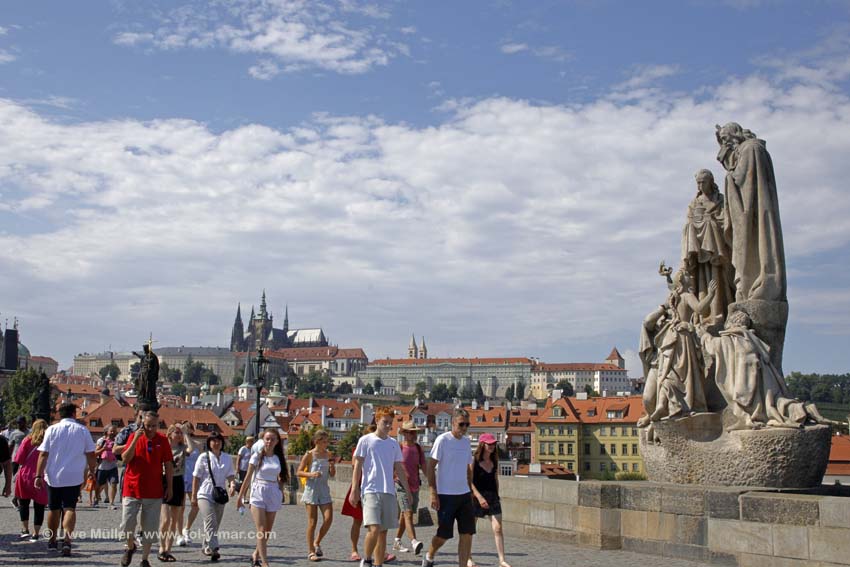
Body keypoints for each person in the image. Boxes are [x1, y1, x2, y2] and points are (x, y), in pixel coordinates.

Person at [715, 122, 786, 304]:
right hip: (752, 208)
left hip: (753, 211)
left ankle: (755, 285)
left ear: (734, 134)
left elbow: (741, 178)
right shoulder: (749, 149)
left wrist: (728, 174)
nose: (724, 143)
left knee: (752, 248)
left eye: (725, 139)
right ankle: (747, 287)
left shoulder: (750, 149)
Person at [637, 269, 716, 428]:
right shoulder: (685, 296)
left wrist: (667, 277)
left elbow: (671, 286)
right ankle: (667, 408)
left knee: (668, 374)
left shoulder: (675, 298)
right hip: (681, 340)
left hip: (670, 340)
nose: (692, 276)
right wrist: (711, 295)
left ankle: (662, 406)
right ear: (684, 280)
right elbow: (700, 309)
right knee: (681, 373)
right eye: (688, 275)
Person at [34, 402, 97, 557]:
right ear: (73, 414)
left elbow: (43, 454)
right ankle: (67, 541)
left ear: (59, 414)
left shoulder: (51, 429)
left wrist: (38, 475)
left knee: (53, 508)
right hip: (74, 475)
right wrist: (92, 470)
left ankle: (52, 539)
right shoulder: (82, 430)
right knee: (70, 507)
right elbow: (90, 453)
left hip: (53, 475)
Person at [350, 407, 410, 567]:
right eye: (385, 422)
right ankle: (367, 559)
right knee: (374, 529)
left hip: (388, 491)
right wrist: (355, 489)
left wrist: (407, 490)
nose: (388, 426)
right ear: (377, 421)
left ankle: (378, 563)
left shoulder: (393, 444)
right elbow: (357, 465)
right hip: (370, 490)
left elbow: (399, 468)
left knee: (383, 533)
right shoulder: (366, 440)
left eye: (391, 423)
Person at [119, 411, 174, 567]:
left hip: (154, 490)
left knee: (150, 527)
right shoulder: (133, 437)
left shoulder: (162, 440)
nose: (150, 429)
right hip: (132, 488)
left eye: (154, 426)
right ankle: (130, 547)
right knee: (127, 525)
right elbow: (125, 458)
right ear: (142, 423)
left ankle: (144, 559)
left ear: (158, 425)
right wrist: (136, 438)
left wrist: (169, 486)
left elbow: (168, 464)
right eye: (148, 425)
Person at [422, 408, 475, 567]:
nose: (464, 428)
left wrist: (471, 489)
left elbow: (468, 468)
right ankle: (430, 554)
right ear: (453, 423)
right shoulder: (442, 440)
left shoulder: (466, 442)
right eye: (461, 424)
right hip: (446, 495)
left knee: (467, 534)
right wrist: (433, 492)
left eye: (467, 424)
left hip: (464, 495)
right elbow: (431, 467)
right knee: (444, 535)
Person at [681, 169, 734, 323]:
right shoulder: (694, 203)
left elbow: (728, 221)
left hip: (717, 252)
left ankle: (718, 314)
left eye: (703, 182)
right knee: (701, 284)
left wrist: (711, 220)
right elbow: (689, 221)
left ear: (711, 182)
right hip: (699, 255)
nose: (700, 186)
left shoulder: (721, 200)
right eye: (698, 183)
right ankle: (703, 317)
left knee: (718, 280)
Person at [342, 424, 396, 564]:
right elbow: (356, 466)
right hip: (363, 486)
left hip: (380, 489)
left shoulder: (388, 443)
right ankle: (355, 550)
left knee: (378, 526)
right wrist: (355, 489)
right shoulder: (363, 445)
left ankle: (380, 555)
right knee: (358, 520)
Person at [236, 428, 289, 567]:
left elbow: (281, 478)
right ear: (263, 440)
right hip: (258, 491)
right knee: (261, 528)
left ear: (277, 441)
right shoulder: (257, 456)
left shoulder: (278, 458)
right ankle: (264, 562)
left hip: (273, 491)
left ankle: (256, 553)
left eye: (272, 439)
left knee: (267, 530)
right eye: (267, 439)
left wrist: (280, 492)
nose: (269, 442)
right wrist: (240, 496)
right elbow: (247, 478)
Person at [192, 431, 236, 561]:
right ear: (209, 443)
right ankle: (214, 548)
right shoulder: (203, 457)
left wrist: (232, 484)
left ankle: (206, 545)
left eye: (218, 441)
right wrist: (194, 496)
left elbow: (230, 475)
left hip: (220, 494)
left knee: (215, 523)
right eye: (213, 441)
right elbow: (196, 477)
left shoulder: (227, 458)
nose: (216, 443)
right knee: (210, 519)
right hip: (205, 493)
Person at [468, 434, 510, 567]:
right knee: (470, 529)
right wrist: (478, 497)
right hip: (476, 497)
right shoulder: (474, 460)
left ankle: (502, 560)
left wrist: (497, 495)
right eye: (489, 444)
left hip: (492, 496)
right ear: (482, 445)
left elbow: (495, 479)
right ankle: (468, 557)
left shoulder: (495, 460)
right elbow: (469, 480)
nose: (492, 446)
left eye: (493, 444)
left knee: (498, 528)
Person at [159, 422, 195, 562]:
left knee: (174, 519)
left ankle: (168, 549)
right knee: (165, 520)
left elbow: (191, 449)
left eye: (180, 433)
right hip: (164, 481)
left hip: (178, 481)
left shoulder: (182, 448)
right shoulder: (164, 447)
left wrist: (186, 433)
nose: (179, 435)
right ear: (170, 434)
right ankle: (161, 547)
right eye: (177, 432)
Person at [298, 429, 336, 561]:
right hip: (312, 490)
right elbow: (299, 472)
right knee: (312, 522)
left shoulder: (328, 454)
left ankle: (317, 541)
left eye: (327, 441)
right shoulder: (309, 455)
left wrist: (332, 466)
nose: (326, 444)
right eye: (324, 442)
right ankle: (311, 551)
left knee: (328, 518)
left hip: (324, 490)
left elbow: (332, 474)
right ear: (317, 441)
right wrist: (311, 474)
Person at [393, 421, 426, 555]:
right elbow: (392, 466)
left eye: (415, 432)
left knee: (405, 514)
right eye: (411, 432)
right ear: (405, 434)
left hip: (415, 487)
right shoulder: (399, 448)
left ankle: (397, 541)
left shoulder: (418, 449)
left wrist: (433, 483)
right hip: (400, 485)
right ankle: (414, 541)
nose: (414, 434)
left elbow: (424, 466)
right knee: (407, 513)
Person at [13, 418, 48, 541]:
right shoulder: (49, 441)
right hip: (42, 475)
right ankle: (36, 532)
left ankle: (25, 529)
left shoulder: (27, 440)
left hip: (26, 474)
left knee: (24, 503)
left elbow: (19, 459)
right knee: (39, 506)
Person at [178, 422, 201, 546]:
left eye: (188, 428)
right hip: (181, 477)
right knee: (180, 508)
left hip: (194, 478)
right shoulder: (180, 445)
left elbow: (200, 460)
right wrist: (183, 435)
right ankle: (180, 534)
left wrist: (187, 435)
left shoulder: (198, 445)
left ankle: (187, 528)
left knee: (195, 505)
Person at [94, 425, 120, 509]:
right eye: (111, 431)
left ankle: (111, 503)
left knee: (114, 484)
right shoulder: (101, 440)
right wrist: (103, 449)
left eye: (114, 431)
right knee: (99, 485)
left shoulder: (117, 441)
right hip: (102, 466)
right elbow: (95, 453)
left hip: (113, 466)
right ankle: (96, 499)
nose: (113, 433)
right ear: (106, 431)